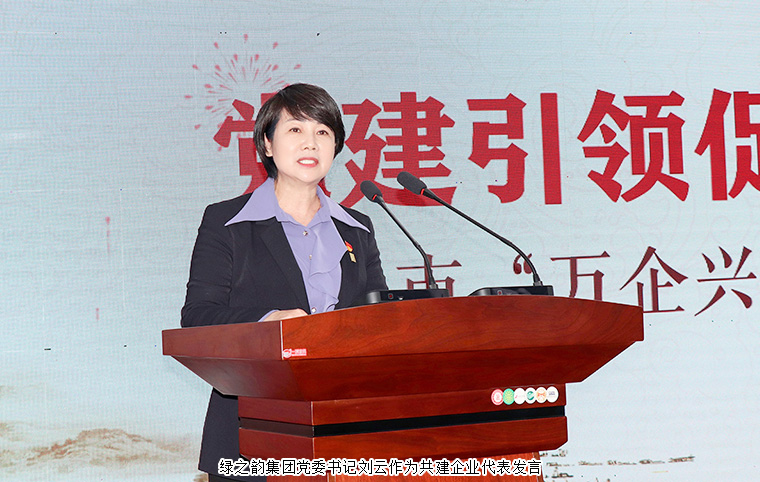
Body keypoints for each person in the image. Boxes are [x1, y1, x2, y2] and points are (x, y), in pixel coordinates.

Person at [180, 83, 387, 481]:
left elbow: (378, 317)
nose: (311, 143)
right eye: (295, 129)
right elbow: (198, 316)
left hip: (346, 432)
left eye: (323, 132)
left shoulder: (358, 228)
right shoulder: (227, 223)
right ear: (267, 144)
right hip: (254, 433)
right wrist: (268, 321)